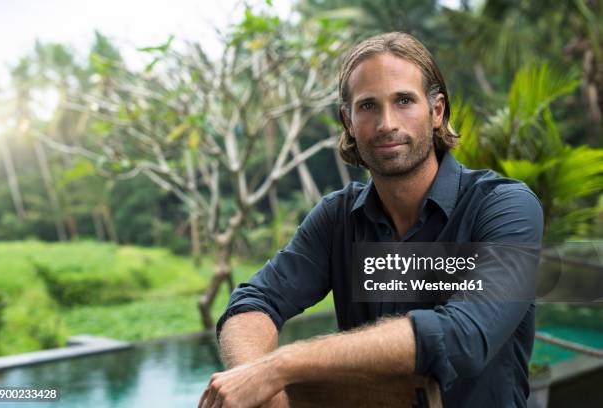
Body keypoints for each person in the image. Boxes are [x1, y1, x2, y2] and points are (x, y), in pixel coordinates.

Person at [198, 32, 543, 408]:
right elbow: (254, 301)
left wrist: (280, 366)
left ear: (437, 111)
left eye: (404, 100)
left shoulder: (504, 207)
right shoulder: (336, 218)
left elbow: (464, 335)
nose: (386, 123)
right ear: (348, 120)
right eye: (367, 107)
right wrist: (257, 385)